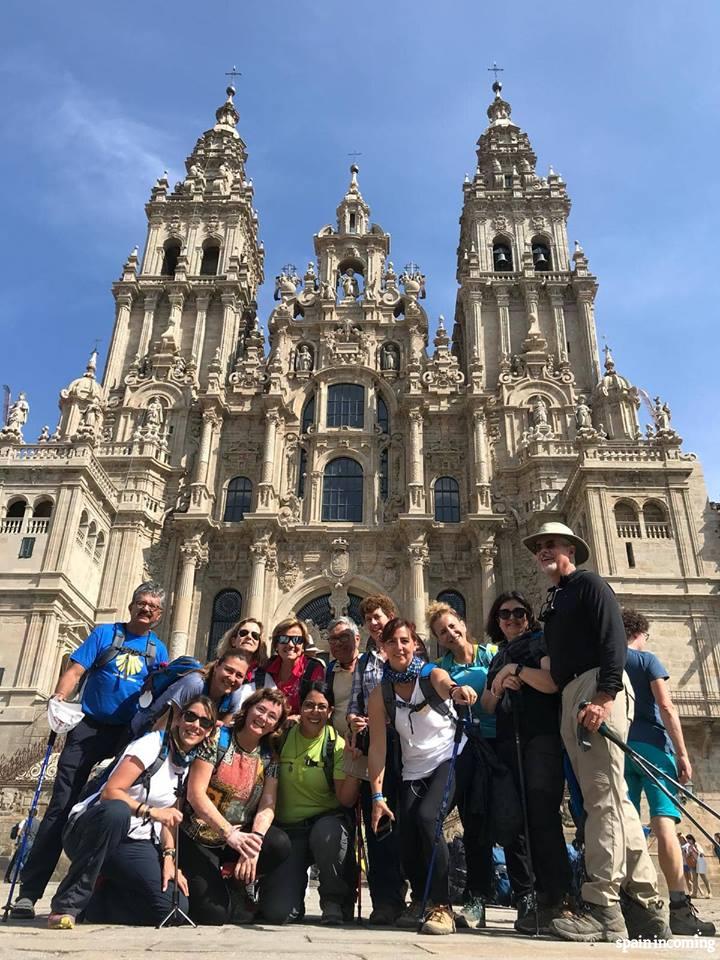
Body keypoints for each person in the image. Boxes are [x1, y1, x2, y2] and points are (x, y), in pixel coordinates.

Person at [523, 521, 668, 943]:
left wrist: (605, 696)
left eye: (552, 544)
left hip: (594, 690)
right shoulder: (558, 597)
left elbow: (614, 638)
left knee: (601, 798)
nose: (544, 551)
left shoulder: (589, 585)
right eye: (539, 546)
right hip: (573, 692)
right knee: (615, 799)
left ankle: (603, 907)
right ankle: (645, 906)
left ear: (572, 548)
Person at [11, 582, 169, 919]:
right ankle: (29, 891)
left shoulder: (160, 651)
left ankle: (95, 886)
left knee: (111, 804)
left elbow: (160, 696)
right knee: (60, 805)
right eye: (141, 603)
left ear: (159, 615)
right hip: (89, 727)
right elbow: (76, 669)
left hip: (126, 734)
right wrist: (57, 698)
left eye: (152, 607)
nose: (146, 609)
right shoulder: (103, 634)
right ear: (131, 605)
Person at [47, 695, 216, 929]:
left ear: (209, 732)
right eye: (191, 716)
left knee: (172, 909)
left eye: (205, 723)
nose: (196, 725)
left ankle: (99, 902)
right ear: (178, 718)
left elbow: (171, 816)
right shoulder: (151, 745)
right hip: (92, 830)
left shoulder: (187, 763)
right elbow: (111, 793)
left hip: (134, 842)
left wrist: (169, 857)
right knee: (116, 812)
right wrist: (152, 812)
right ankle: (67, 904)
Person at [368, 617, 477, 936]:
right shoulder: (380, 694)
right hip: (414, 768)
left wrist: (458, 691)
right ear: (383, 648)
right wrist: (376, 796)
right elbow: (377, 749)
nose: (399, 647)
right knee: (408, 831)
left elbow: (448, 685)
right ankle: (422, 897)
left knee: (429, 818)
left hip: (451, 756)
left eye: (405, 640)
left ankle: (442, 906)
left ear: (415, 644)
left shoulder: (431, 675)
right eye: (392, 642)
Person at [480, 591, 570, 933]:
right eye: (505, 614)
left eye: (519, 613)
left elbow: (551, 683)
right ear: (497, 621)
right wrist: (501, 683)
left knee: (543, 818)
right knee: (514, 823)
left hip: (540, 740)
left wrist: (517, 669)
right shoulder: (497, 656)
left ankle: (558, 898)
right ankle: (530, 900)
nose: (512, 619)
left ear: (529, 616)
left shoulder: (539, 644)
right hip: (508, 742)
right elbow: (488, 704)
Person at [622, 608, 715, 935]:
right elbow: (667, 707)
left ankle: (631, 901)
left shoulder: (609, 662)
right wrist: (683, 754)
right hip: (655, 748)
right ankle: (679, 907)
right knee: (664, 821)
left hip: (622, 750)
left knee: (628, 825)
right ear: (640, 633)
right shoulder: (647, 661)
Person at [181, 688, 291, 925]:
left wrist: (253, 845)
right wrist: (229, 833)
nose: (263, 718)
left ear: (275, 726)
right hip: (199, 835)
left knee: (278, 843)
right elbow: (195, 794)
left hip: (238, 836)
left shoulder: (269, 756)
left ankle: (237, 883)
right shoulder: (217, 739)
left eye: (272, 716)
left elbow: (267, 805)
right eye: (260, 709)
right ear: (248, 709)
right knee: (214, 915)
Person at [260, 682, 360, 925]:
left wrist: (354, 765)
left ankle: (333, 899)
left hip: (323, 827)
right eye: (309, 705)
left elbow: (345, 799)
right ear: (300, 708)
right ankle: (289, 896)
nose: (315, 712)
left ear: (330, 711)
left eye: (322, 707)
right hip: (289, 833)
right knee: (278, 914)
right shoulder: (281, 738)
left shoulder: (335, 746)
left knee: (327, 833)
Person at [427, 601, 496, 928]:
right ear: (437, 639)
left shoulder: (492, 655)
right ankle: (461, 895)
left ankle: (526, 895)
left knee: (501, 820)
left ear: (464, 624)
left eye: (453, 626)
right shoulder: (440, 666)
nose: (450, 633)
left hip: (498, 745)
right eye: (443, 632)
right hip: (460, 750)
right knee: (461, 818)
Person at [347, 593, 407, 925]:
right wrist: (354, 721)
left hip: (407, 744)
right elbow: (357, 701)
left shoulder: (405, 651)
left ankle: (410, 894)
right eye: (368, 618)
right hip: (375, 746)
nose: (373, 622)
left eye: (378, 616)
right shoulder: (366, 662)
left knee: (408, 817)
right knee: (379, 818)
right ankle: (385, 899)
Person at [130, 650, 251, 736]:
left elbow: (218, 736)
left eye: (239, 675)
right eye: (228, 670)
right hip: (144, 732)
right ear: (217, 666)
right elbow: (162, 726)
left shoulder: (234, 696)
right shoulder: (195, 684)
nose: (232, 678)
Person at [264, 619, 325, 716]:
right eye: (284, 639)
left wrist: (297, 718)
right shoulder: (266, 668)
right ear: (276, 645)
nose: (291, 645)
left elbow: (315, 708)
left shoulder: (313, 669)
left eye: (297, 639)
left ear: (303, 645)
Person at [325, 617, 360, 740]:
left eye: (344, 637)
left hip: (368, 745)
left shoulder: (371, 668)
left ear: (357, 639)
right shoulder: (329, 672)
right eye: (333, 639)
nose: (338, 643)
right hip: (337, 747)